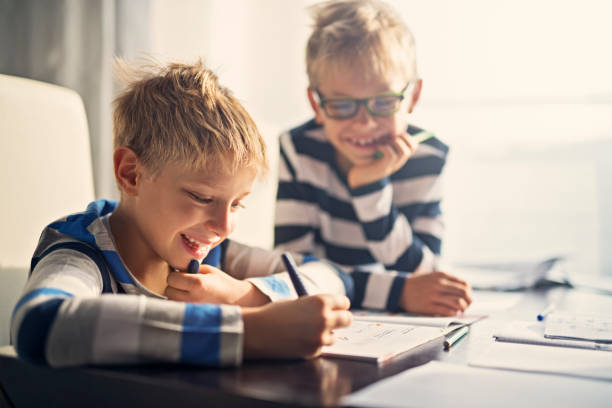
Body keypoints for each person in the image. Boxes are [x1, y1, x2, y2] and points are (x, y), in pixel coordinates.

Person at [10, 59, 352, 367]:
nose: (224, 226)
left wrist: (244, 296)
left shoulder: (208, 251)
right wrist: (251, 332)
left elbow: (333, 275)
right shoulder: (82, 252)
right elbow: (39, 325)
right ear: (131, 174)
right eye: (202, 197)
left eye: (237, 204)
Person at [274, 0, 472, 316]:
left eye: (383, 102)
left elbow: (427, 278)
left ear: (413, 97)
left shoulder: (429, 158)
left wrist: (370, 191)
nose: (364, 122)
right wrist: (399, 294)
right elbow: (292, 271)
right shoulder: (299, 149)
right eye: (341, 104)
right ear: (316, 103)